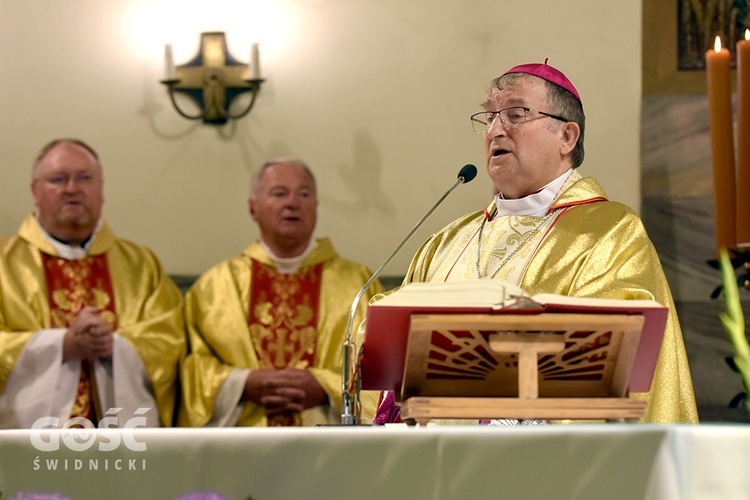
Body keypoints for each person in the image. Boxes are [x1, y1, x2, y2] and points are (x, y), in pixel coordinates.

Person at [373, 60, 698, 424]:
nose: (495, 130)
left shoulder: (607, 232)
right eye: (489, 117)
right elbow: (383, 358)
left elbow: (614, 363)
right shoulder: (446, 243)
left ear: (566, 137)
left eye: (514, 114)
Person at [178, 158, 383, 427]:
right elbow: (191, 367)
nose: (292, 203)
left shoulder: (359, 283)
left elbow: (381, 363)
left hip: (331, 445)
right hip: (239, 443)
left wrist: (325, 386)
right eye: (279, 193)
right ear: (253, 208)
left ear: (316, 207)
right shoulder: (215, 286)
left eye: (304, 194)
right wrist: (243, 384)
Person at [0, 138, 185, 428]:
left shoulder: (141, 264)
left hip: (122, 448)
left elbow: (170, 343)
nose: (71, 189)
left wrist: (114, 346)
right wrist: (62, 345)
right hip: (26, 448)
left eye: (84, 178)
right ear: (34, 192)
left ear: (101, 190)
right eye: (58, 179)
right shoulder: (4, 263)